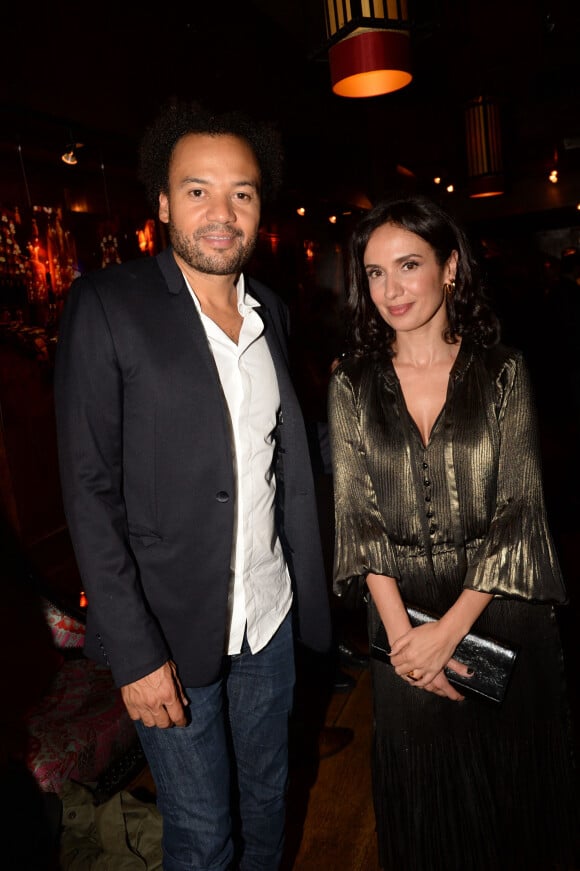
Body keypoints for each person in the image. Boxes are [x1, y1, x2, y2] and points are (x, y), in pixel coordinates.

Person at [53, 100, 332, 871]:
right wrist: (135, 653)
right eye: (198, 189)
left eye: (240, 191)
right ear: (164, 201)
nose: (221, 210)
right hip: (168, 632)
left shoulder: (272, 310)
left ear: (260, 205)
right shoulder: (108, 306)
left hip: (268, 619)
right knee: (204, 835)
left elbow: (285, 458)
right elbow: (87, 490)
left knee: (270, 801)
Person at [327, 193, 579, 871]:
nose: (391, 289)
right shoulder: (350, 383)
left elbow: (518, 515)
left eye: (408, 265)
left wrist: (449, 633)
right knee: (428, 812)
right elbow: (360, 522)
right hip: (399, 624)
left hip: (501, 614)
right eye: (375, 272)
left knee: (516, 805)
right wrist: (410, 643)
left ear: (451, 268)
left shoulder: (503, 371)